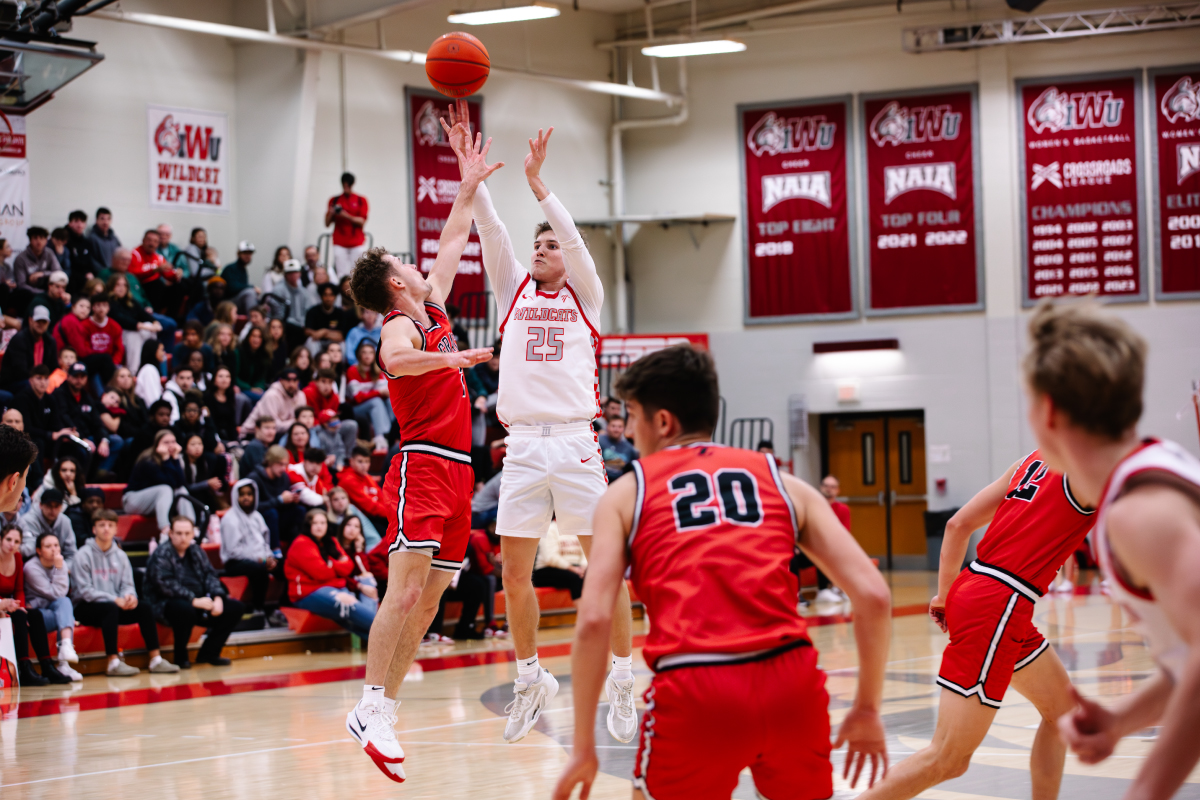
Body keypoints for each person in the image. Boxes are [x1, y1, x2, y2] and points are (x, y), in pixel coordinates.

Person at [552, 345, 892, 800]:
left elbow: (595, 620)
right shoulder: (784, 481)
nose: (628, 430)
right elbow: (874, 596)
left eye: (632, 416)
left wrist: (581, 748)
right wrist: (867, 707)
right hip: (791, 681)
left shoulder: (626, 492)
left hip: (697, 687)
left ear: (664, 422)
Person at [446, 104, 633, 743]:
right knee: (513, 573)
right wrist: (472, 178)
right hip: (523, 446)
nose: (542, 249)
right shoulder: (514, 293)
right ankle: (530, 678)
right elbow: (492, 231)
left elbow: (573, 238)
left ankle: (624, 676)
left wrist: (537, 184)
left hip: (578, 443)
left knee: (605, 570)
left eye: (549, 244)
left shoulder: (587, 294)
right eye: (538, 244)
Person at [993, 303, 1200, 800]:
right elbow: (1188, 659)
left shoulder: (1140, 513)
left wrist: (1146, 790)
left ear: (1048, 411)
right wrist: (1121, 719)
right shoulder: (1147, 473)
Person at [342, 118, 495, 782]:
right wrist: (452, 358)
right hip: (424, 461)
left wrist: (465, 186)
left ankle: (387, 708)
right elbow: (396, 360)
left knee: (432, 600)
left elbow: (456, 235)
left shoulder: (427, 304)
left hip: (460, 469)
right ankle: (369, 705)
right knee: (403, 592)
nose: (415, 262)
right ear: (394, 284)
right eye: (404, 263)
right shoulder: (400, 323)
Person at [858, 446, 1096, 800]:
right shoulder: (1090, 471)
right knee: (948, 757)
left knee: (1063, 713)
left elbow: (957, 525)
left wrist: (943, 595)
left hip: (976, 585)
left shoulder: (1031, 459)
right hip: (1001, 601)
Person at [72, 509, 181, 675]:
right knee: (110, 608)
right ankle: (113, 663)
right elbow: (85, 591)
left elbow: (128, 584)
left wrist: (130, 597)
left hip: (114, 606)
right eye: (102, 525)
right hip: (85, 607)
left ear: (116, 529)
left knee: (144, 608)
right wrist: (115, 599)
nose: (106, 529)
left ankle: (155, 659)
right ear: (94, 529)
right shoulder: (82, 555)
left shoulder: (121, 555)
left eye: (110, 525)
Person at [144, 516, 242, 668]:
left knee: (236, 608)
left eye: (187, 533)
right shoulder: (161, 553)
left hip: (200, 602)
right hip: (166, 604)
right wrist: (193, 600)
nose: (183, 538)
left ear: (192, 534)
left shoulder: (196, 551)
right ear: (171, 534)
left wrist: (218, 597)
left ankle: (209, 653)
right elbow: (164, 584)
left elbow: (210, 574)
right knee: (184, 609)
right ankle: (180, 656)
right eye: (179, 533)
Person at [0, 523, 72, 685]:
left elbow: (19, 589)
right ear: (0, 540)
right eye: (8, 540)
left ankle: (47, 665)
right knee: (18, 617)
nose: (12, 545)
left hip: (11, 603)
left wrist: (21, 606)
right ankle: (24, 666)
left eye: (17, 542)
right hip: (0, 604)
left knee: (34, 614)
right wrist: (8, 605)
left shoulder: (17, 558)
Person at [286, 508, 374, 636]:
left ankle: (381, 646)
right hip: (308, 592)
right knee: (346, 602)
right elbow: (321, 573)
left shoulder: (331, 541)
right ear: (308, 525)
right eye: (315, 523)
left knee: (367, 582)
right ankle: (390, 631)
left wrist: (330, 564)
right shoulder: (301, 543)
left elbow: (348, 567)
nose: (319, 527)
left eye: (323, 523)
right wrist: (337, 568)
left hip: (333, 586)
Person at [221, 479, 286, 625]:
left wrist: (269, 557)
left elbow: (264, 543)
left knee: (286, 566)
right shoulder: (229, 519)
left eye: (249, 494)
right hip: (235, 562)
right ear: (235, 496)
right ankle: (258, 609)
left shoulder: (257, 516)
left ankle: (282, 608)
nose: (246, 497)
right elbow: (233, 551)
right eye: (242, 494)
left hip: (261, 558)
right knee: (259, 570)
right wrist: (260, 559)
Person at [23, 530, 83, 681]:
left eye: (56, 545)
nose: (54, 549)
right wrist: (60, 568)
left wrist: (58, 567)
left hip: (52, 610)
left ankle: (65, 658)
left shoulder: (58, 564)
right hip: (37, 617)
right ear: (39, 550)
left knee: (65, 604)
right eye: (48, 546)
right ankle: (64, 661)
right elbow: (56, 593)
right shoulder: (31, 568)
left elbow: (59, 596)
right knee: (65, 613)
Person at [124, 429, 195, 537]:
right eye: (166, 442)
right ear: (157, 444)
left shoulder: (173, 459)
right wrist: (166, 458)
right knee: (165, 488)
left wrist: (175, 459)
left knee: (181, 491)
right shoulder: (148, 460)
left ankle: (191, 527)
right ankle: (165, 530)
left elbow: (181, 483)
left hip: (157, 501)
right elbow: (168, 482)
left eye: (173, 442)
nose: (171, 445)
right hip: (133, 500)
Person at [250, 445, 305, 552]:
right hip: (259, 521)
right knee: (272, 513)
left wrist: (292, 500)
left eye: (285, 465)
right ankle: (275, 550)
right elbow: (253, 507)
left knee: (299, 510)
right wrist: (279, 500)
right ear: (270, 462)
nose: (283, 468)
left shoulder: (284, 477)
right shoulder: (254, 478)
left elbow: (282, 505)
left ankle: (296, 548)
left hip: (279, 520)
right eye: (280, 464)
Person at [106, 273, 161, 371]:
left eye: (124, 285)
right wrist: (142, 326)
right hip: (118, 334)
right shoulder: (109, 302)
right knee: (135, 335)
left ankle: (152, 365)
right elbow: (121, 319)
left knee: (150, 328)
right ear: (111, 286)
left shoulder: (131, 301)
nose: (121, 288)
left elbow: (144, 314)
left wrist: (155, 323)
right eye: (118, 285)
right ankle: (133, 371)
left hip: (135, 330)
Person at [346, 340, 391, 452]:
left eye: (370, 353)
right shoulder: (353, 370)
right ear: (359, 355)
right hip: (355, 409)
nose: (367, 356)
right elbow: (357, 398)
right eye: (364, 353)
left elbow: (385, 392)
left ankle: (391, 433)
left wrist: (382, 393)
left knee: (390, 401)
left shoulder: (378, 371)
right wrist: (378, 393)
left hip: (372, 408)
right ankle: (380, 436)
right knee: (376, 401)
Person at [303, 367, 359, 455]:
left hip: (329, 426)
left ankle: (348, 458)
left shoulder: (335, 397)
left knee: (352, 425)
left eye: (330, 382)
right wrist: (324, 424)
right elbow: (307, 417)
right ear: (316, 382)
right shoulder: (307, 393)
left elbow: (333, 417)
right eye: (323, 381)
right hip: (315, 427)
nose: (327, 385)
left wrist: (333, 424)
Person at [0, 304, 58, 388]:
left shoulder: (50, 342)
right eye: (38, 321)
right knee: (32, 386)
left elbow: (53, 367)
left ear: (48, 323)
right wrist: (40, 381)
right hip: (16, 382)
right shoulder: (19, 339)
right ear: (30, 320)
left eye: (44, 322)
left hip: (41, 381)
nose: (41, 324)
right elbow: (19, 371)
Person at [239, 367, 306, 437]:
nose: (291, 384)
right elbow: (273, 425)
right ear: (281, 381)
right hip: (253, 434)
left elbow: (303, 419)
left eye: (294, 381)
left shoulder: (301, 395)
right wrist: (297, 422)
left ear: (298, 382)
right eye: (288, 380)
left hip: (282, 433)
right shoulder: (272, 395)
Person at [326, 172, 369, 279]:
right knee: (342, 274)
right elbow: (327, 223)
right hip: (340, 242)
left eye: (348, 184)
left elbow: (361, 221)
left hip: (356, 242)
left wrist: (344, 214)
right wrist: (332, 212)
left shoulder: (360, 200)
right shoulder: (334, 200)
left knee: (357, 274)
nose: (346, 187)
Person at [13, 226, 61, 295]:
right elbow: (21, 284)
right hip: (29, 292)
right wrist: (42, 293)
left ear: (46, 241)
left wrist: (42, 274)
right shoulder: (21, 258)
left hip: (48, 289)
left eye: (41, 238)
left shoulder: (49, 253)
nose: (38, 241)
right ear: (30, 240)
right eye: (35, 238)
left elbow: (58, 272)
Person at [234, 324, 272, 402]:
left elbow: (261, 378)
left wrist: (259, 387)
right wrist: (250, 388)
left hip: (256, 390)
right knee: (262, 398)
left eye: (259, 337)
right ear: (248, 337)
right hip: (241, 387)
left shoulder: (264, 356)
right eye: (254, 336)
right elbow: (235, 377)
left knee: (269, 397)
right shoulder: (238, 353)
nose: (256, 339)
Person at [204, 365, 240, 444]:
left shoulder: (230, 396)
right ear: (214, 379)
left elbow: (232, 423)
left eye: (227, 376)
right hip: (214, 437)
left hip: (228, 435)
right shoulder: (207, 397)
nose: (224, 379)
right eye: (220, 376)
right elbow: (209, 421)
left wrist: (235, 440)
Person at [598, 414, 638, 483]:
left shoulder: (629, 448)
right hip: (600, 481)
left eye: (620, 427)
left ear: (624, 429)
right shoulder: (599, 441)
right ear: (607, 427)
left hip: (619, 484)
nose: (616, 429)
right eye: (613, 426)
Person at [222, 241, 260, 312]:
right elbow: (231, 288)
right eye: (245, 253)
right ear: (238, 254)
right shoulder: (230, 268)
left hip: (237, 301)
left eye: (250, 253)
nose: (247, 255)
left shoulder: (243, 270)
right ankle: (253, 320)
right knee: (250, 293)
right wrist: (252, 287)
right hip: (228, 302)